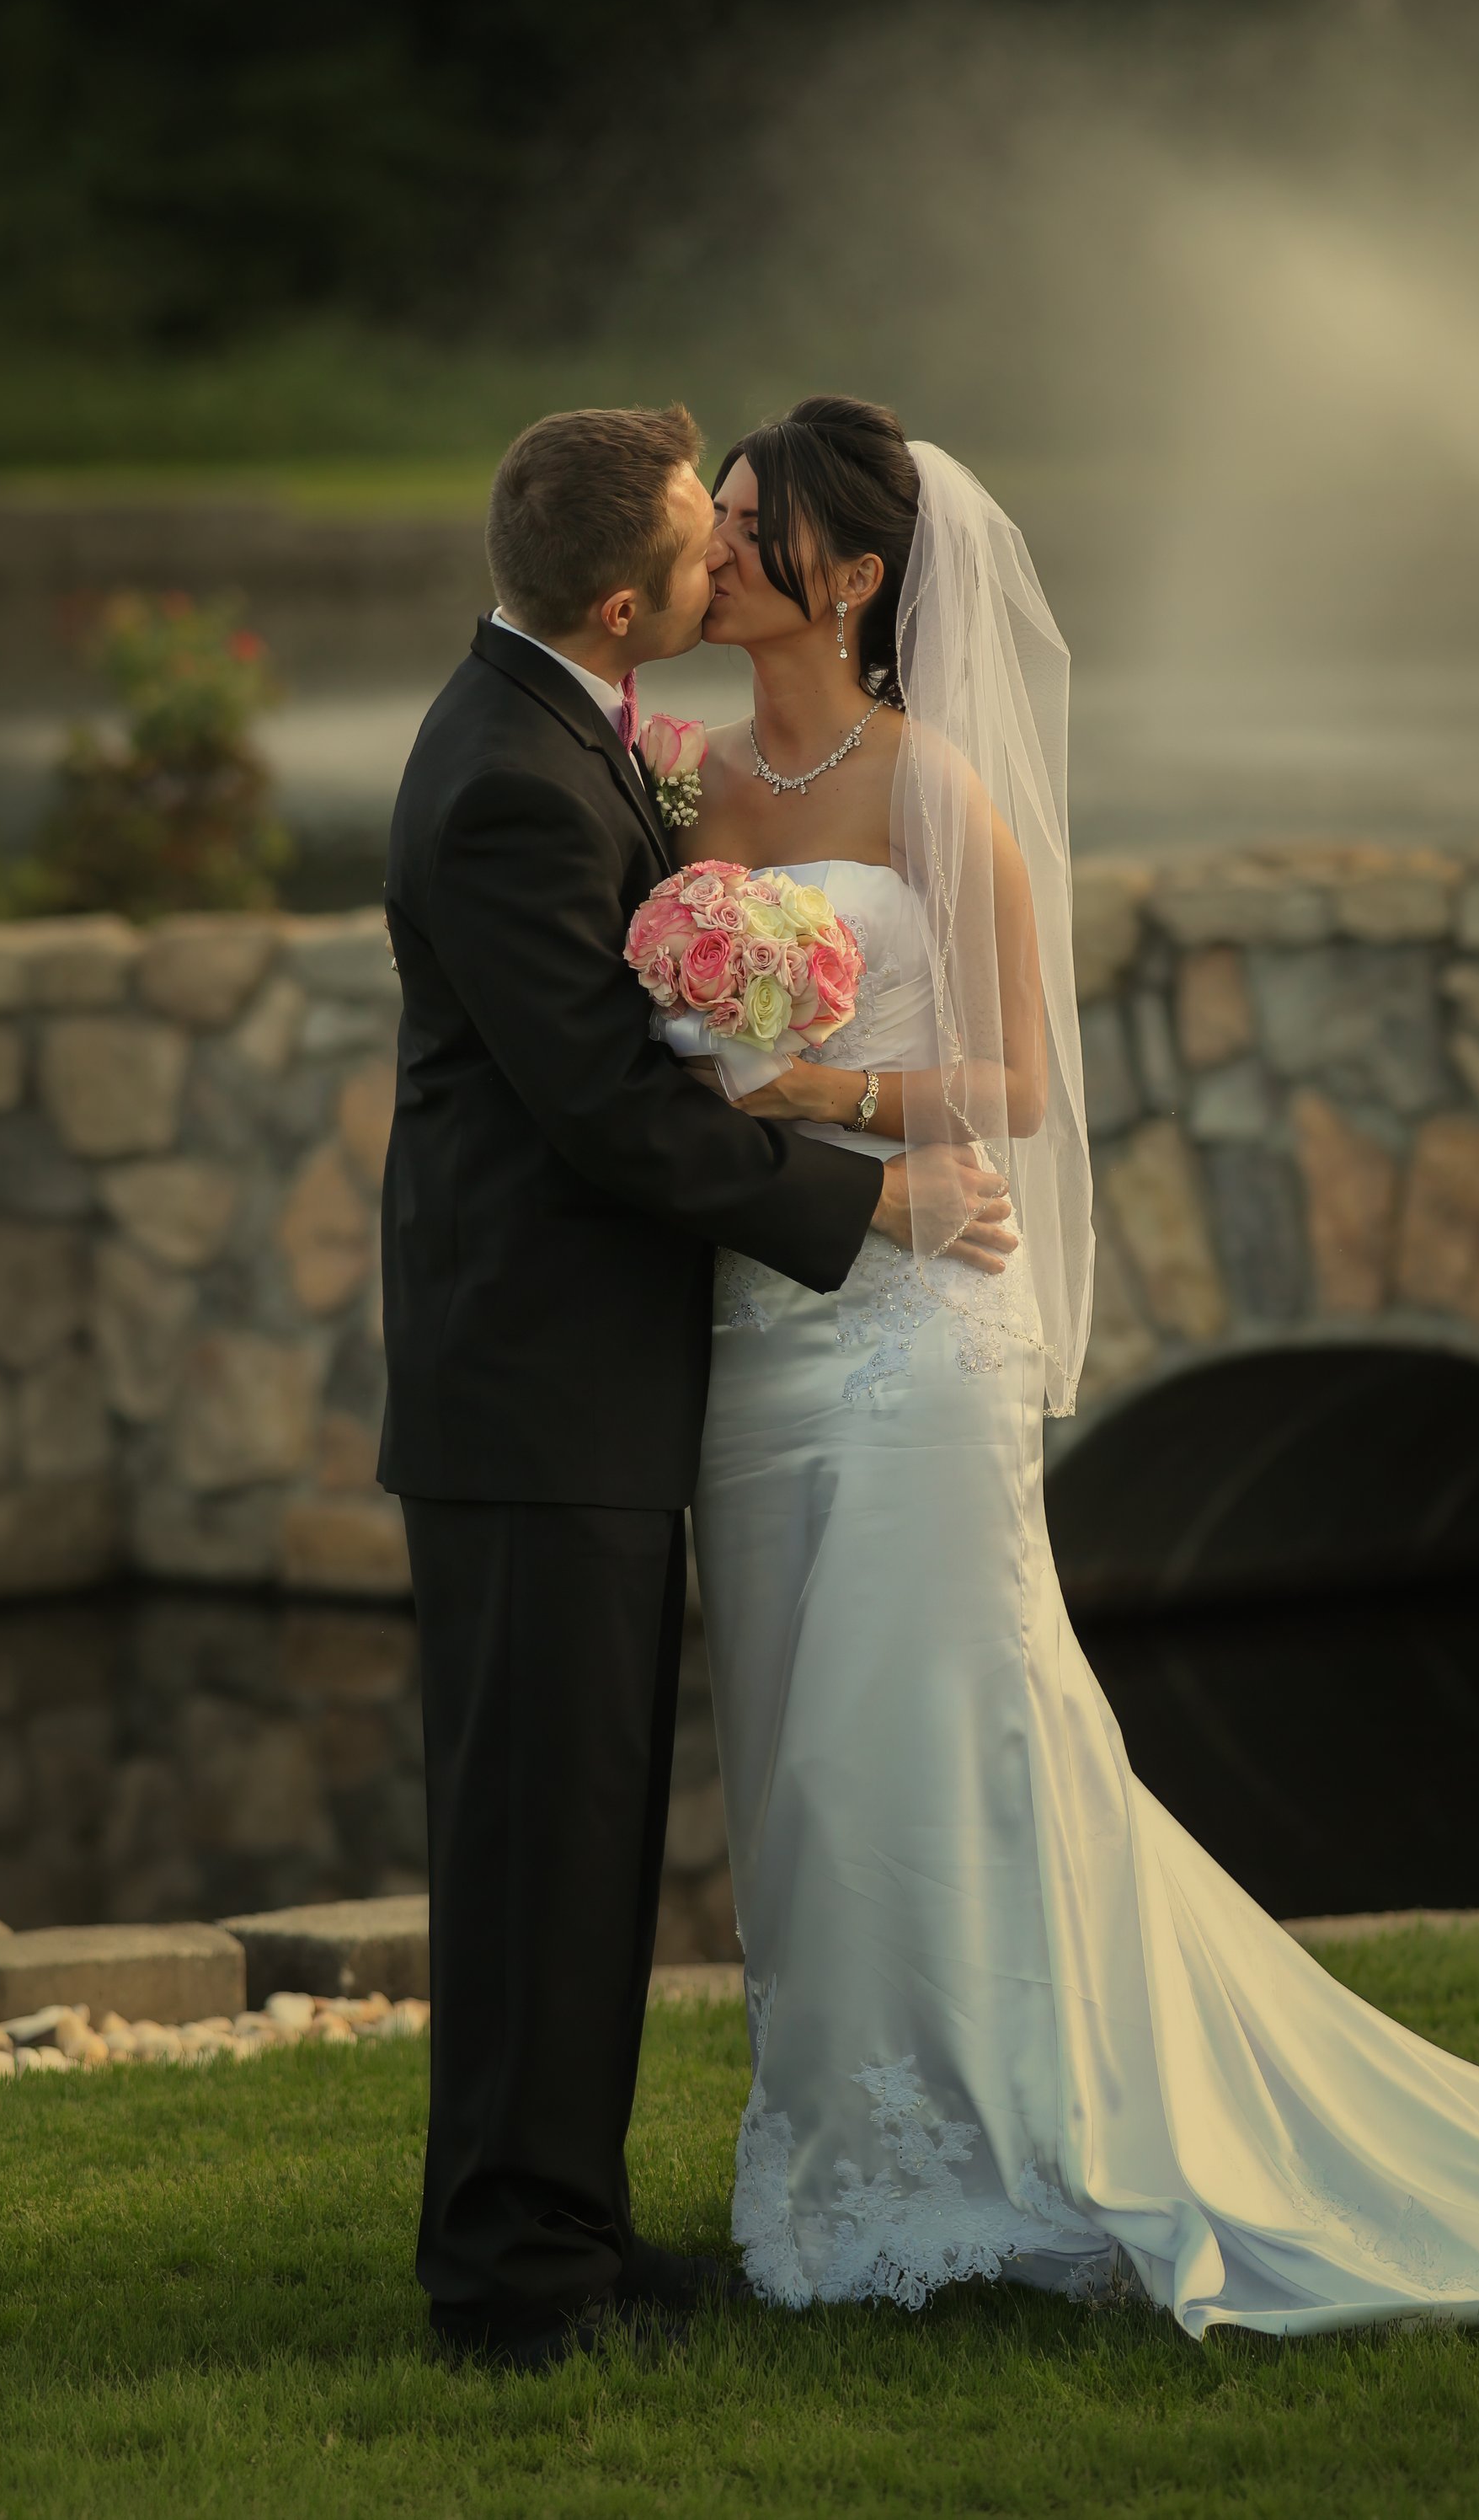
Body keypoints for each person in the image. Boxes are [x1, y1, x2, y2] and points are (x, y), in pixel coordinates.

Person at [676, 393, 1479, 2334]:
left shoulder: (936, 786)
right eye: (707, 516)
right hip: (762, 1342)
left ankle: (1005, 2157)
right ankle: (847, 2150)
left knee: (942, 1735)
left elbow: (1023, 1084)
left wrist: (817, 1084)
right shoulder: (693, 784)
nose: (707, 544)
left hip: (918, 1332)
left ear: (854, 576)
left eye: (742, 521)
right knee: (796, 1757)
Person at [376, 403, 1012, 2368]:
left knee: (583, 1838)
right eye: (692, 535)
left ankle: (563, 2227)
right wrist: (870, 1200)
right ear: (618, 599)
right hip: (532, 1392)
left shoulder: (579, 743)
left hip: (592, 1388)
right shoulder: (515, 779)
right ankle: (510, 2278)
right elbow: (601, 1120)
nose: (716, 556)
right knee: (529, 1849)